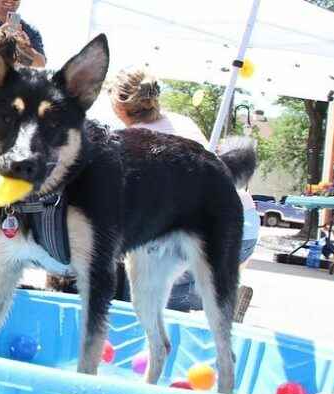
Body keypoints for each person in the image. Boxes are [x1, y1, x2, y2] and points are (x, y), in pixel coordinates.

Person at [110, 68, 257, 312]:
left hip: (208, 233)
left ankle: (196, 299)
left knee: (141, 289)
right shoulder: (182, 122)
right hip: (246, 228)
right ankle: (214, 294)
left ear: (119, 106)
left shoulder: (131, 141)